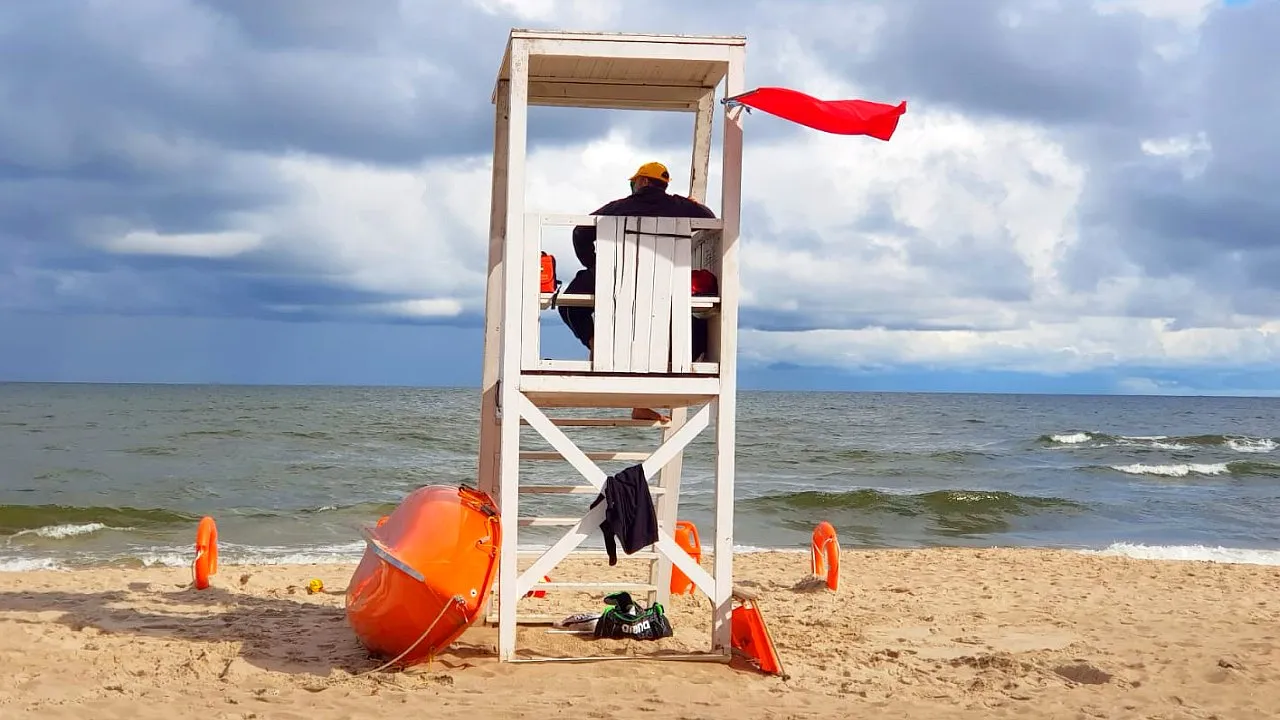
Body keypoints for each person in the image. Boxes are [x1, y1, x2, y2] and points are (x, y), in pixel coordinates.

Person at [559, 162, 717, 422]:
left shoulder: (618, 207)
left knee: (569, 301)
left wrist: (595, 265)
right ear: (664, 185)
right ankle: (650, 395)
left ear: (643, 182)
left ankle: (594, 341)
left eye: (634, 182)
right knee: (697, 331)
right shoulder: (681, 207)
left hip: (616, 282)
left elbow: (581, 231)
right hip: (663, 287)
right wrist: (694, 206)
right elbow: (709, 219)